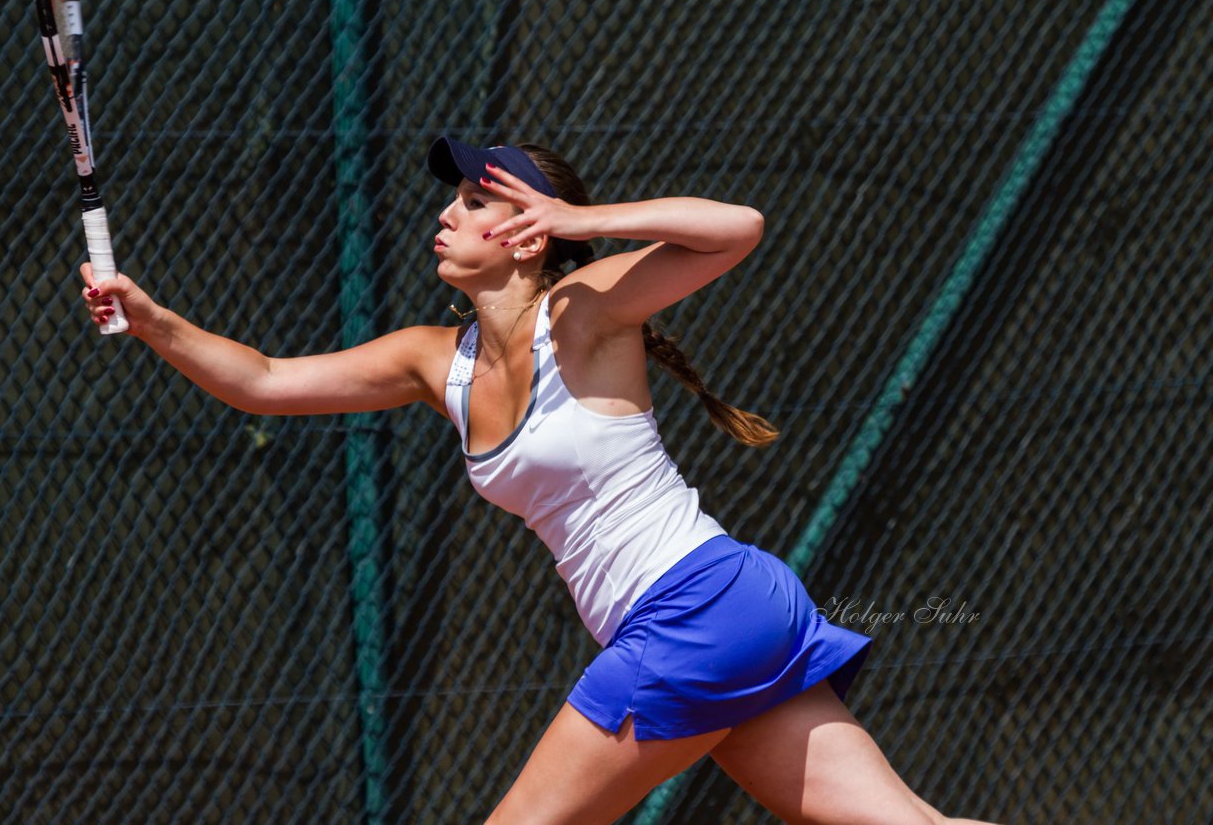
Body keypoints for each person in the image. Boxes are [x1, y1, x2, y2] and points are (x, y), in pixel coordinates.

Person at [79, 136, 999, 825]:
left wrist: (582, 225)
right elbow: (266, 383)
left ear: (523, 232)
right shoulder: (431, 359)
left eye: (476, 201)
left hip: (692, 610)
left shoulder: (585, 312)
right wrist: (155, 320)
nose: (445, 214)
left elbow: (737, 229)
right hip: (731, 609)